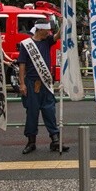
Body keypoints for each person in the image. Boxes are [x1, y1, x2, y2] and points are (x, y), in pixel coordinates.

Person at [18, 19, 69, 154]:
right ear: (40, 30)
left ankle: (55, 140)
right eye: (47, 30)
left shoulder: (47, 41)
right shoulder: (26, 45)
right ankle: (31, 142)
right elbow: (21, 64)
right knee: (32, 113)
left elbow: (59, 35)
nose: (49, 33)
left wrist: (64, 22)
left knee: (49, 111)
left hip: (46, 82)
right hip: (31, 82)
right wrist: (22, 83)